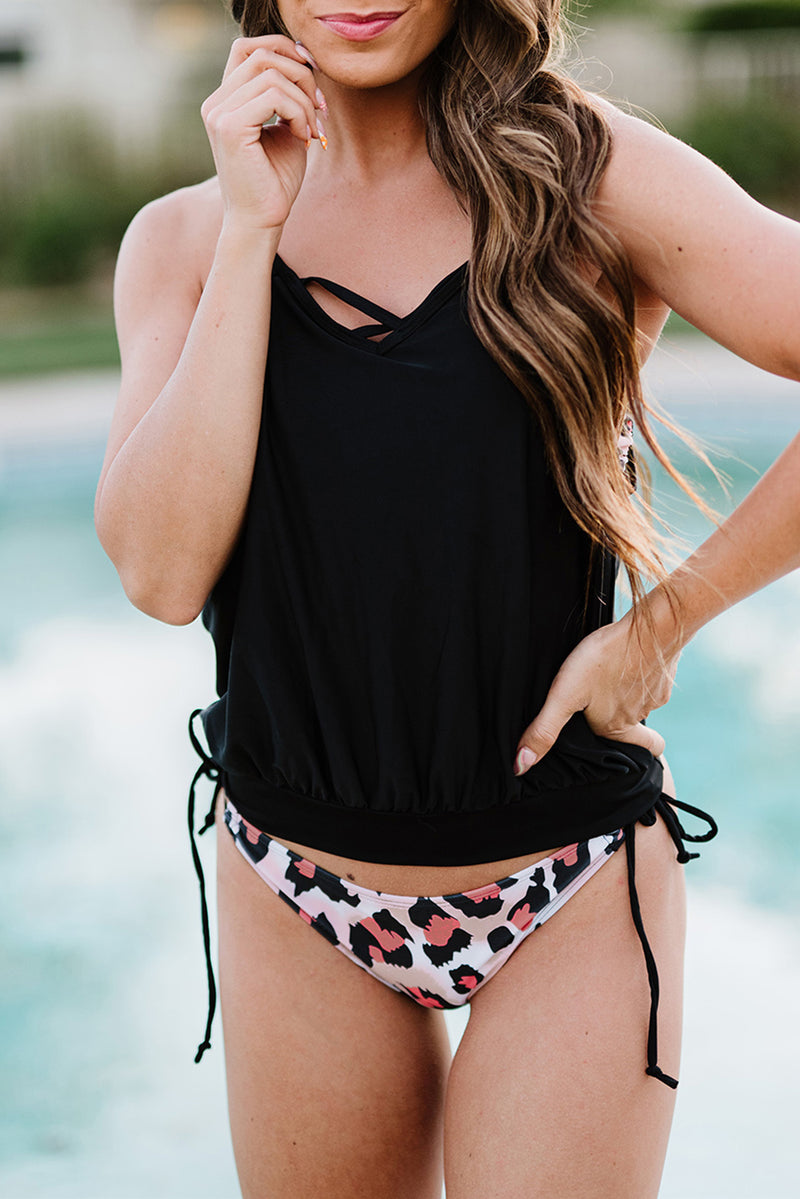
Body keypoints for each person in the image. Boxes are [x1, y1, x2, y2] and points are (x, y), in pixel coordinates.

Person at [94, 2, 800, 1195]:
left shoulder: (587, 175)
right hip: (294, 880)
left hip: (565, 879)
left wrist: (666, 619)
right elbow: (161, 576)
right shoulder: (182, 240)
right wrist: (248, 231)